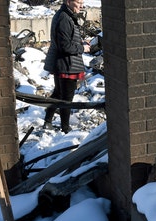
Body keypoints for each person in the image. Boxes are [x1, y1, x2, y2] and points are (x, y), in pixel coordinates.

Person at [43, 0, 90, 133]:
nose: (81, 5)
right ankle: (65, 129)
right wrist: (82, 48)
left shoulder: (64, 15)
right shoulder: (64, 18)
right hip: (66, 65)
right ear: (68, 2)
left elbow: (66, 40)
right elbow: (64, 46)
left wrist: (80, 42)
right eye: (78, 2)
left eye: (82, 2)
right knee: (66, 99)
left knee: (58, 93)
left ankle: (48, 121)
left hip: (63, 63)